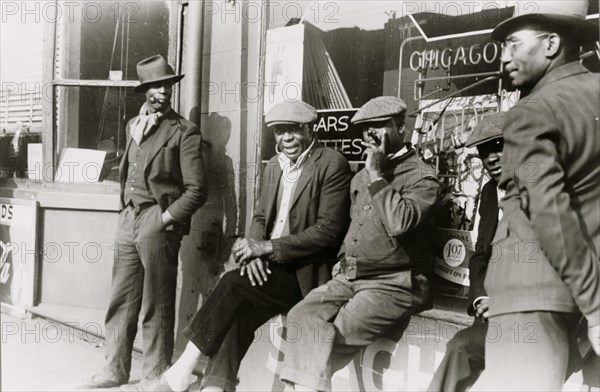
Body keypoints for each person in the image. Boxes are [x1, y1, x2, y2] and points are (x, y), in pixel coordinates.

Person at [124, 99, 352, 392]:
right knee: (236, 314)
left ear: (310, 129)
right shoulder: (274, 166)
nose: (286, 139)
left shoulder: (331, 164)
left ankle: (180, 373)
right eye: (280, 132)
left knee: (232, 283)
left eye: (294, 130)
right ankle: (215, 388)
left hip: (303, 276)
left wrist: (266, 249)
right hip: (268, 270)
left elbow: (327, 232)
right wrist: (254, 252)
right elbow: (259, 216)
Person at [475, 1, 600, 389]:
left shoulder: (532, 111)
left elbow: (548, 210)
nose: (503, 57)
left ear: (551, 44)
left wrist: (595, 309)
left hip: (530, 296)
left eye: (513, 44)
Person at [279, 96, 440, 392]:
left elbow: (400, 223)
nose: (370, 135)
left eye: (379, 126)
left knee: (329, 338)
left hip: (395, 283)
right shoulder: (361, 176)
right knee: (300, 316)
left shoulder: (422, 175)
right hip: (350, 277)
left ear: (400, 126)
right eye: (365, 129)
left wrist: (377, 175)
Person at [85, 55, 208, 388]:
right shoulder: (133, 126)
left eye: (166, 85)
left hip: (156, 219)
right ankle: (114, 369)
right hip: (128, 217)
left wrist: (164, 219)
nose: (162, 92)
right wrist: (125, 207)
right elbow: (128, 171)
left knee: (157, 302)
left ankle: (154, 375)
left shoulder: (184, 131)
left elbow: (197, 191)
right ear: (144, 91)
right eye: (155, 86)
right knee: (121, 299)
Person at [427, 113, 505, 391]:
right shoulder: (490, 192)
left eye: (499, 146)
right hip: (492, 314)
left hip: (533, 316)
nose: (491, 158)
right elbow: (481, 253)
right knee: (460, 348)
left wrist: (506, 303)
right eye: (485, 152)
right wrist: (481, 297)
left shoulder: (545, 191)